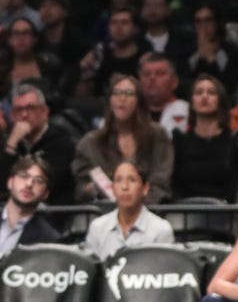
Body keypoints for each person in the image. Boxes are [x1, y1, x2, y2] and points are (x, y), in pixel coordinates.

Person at [73, 74, 174, 205]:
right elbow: (80, 188)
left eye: (129, 93)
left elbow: (161, 181)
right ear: (110, 101)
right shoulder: (90, 143)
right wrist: (92, 189)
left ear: (139, 101)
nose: (122, 98)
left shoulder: (158, 135)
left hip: (151, 211)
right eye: (117, 93)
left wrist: (137, 210)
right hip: (105, 213)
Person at [0, 82, 76, 206]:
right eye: (19, 110)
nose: (24, 115)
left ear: (44, 112)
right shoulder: (8, 144)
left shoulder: (61, 141)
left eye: (30, 108)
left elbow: (48, 182)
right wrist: (12, 143)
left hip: (52, 211)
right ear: (12, 115)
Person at [82, 159, 175, 260]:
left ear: (145, 188)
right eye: (118, 180)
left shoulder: (161, 230)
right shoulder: (97, 228)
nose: (124, 187)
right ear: (112, 188)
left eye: (132, 180)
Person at [171, 75, 238, 201]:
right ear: (191, 102)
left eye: (211, 92)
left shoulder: (234, 141)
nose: (204, 96)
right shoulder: (180, 142)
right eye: (199, 92)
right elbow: (174, 184)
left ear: (220, 100)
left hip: (224, 212)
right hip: (186, 210)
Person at [0, 155, 60, 254]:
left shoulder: (50, 239)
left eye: (38, 181)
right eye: (24, 176)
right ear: (10, 182)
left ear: (46, 194)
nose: (29, 184)